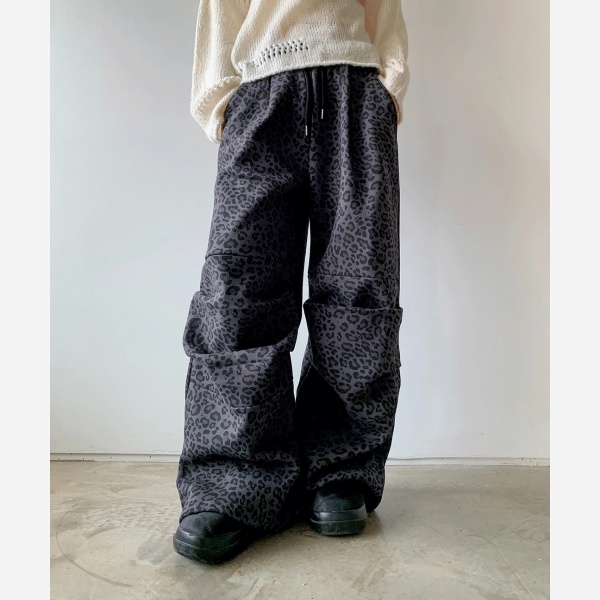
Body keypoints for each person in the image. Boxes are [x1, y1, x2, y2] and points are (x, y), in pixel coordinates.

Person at [173, 0, 410, 564]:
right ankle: (232, 479)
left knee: (359, 289)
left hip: (355, 94)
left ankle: (340, 469)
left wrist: (385, 91)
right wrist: (225, 105)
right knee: (237, 290)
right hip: (261, 94)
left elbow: (383, 11)